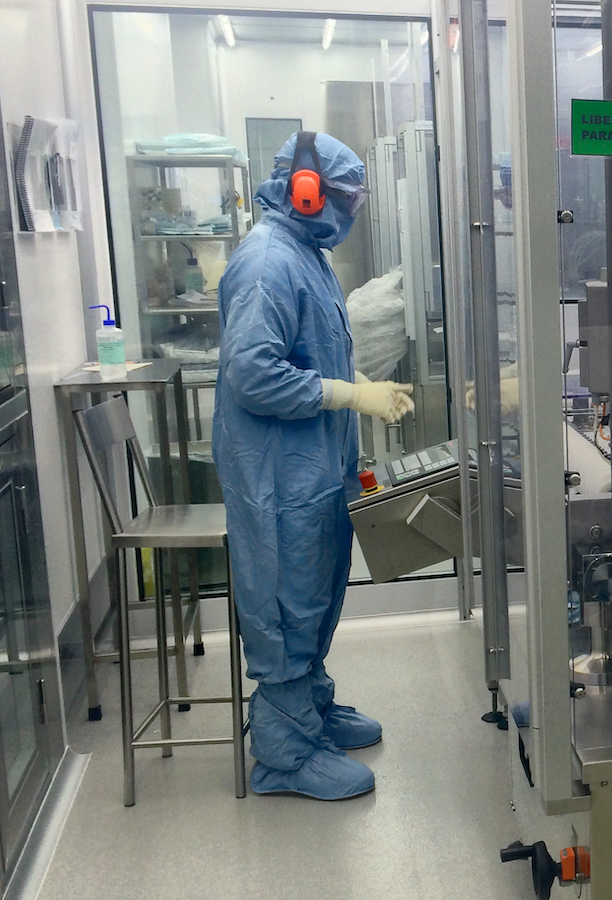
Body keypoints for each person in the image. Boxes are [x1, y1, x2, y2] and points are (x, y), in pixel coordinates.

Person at [213, 132, 414, 800]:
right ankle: (284, 754)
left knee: (316, 593)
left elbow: (313, 354)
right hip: (277, 477)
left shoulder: (307, 255)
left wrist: (361, 385)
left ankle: (311, 708)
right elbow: (252, 375)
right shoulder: (267, 262)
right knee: (285, 601)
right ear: (305, 191)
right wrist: (351, 395)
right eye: (345, 197)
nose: (351, 211)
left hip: (313, 468)